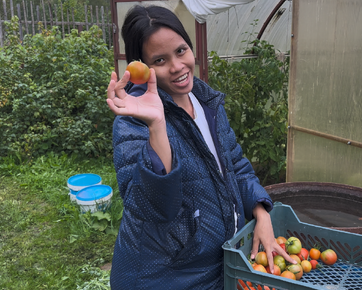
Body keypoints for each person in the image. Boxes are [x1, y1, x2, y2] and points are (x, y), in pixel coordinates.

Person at [105, 5, 295, 289]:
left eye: (181, 51)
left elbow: (235, 166)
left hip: (215, 266)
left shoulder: (206, 103)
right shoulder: (134, 122)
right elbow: (153, 208)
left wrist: (261, 212)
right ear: (143, 69)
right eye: (160, 60)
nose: (177, 66)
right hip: (162, 277)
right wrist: (157, 126)